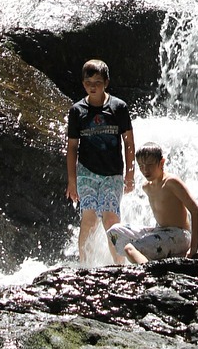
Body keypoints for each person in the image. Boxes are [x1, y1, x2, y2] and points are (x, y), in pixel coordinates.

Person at [66, 58, 135, 264]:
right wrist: (72, 180)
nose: (92, 87)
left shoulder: (118, 107)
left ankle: (119, 266)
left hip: (113, 173)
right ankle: (84, 267)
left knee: (111, 219)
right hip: (86, 172)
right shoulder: (77, 111)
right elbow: (72, 147)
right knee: (88, 219)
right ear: (83, 84)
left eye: (97, 82)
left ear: (106, 82)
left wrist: (130, 175)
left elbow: (129, 142)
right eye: (88, 83)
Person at [107, 142, 198, 263]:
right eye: (141, 165)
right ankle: (146, 259)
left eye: (150, 164)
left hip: (179, 235)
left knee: (130, 248)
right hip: (160, 231)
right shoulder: (146, 187)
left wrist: (193, 249)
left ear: (162, 162)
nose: (145, 170)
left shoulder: (171, 182)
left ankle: (149, 272)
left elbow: (196, 211)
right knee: (114, 231)